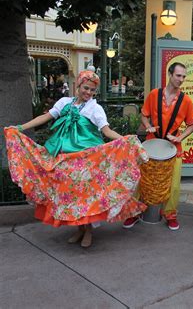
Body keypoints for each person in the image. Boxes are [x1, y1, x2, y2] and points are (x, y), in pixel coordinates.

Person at [4, 70, 147, 248]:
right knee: (70, 195)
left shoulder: (95, 108)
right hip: (64, 158)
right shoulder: (64, 103)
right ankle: (79, 229)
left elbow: (106, 131)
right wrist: (20, 127)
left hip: (87, 160)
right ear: (77, 86)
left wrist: (126, 140)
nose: (88, 92)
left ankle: (88, 230)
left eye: (92, 90)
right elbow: (46, 117)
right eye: (86, 88)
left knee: (84, 195)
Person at [123, 62, 193, 231]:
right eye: (178, 75)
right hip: (151, 145)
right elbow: (144, 115)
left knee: (174, 185)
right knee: (141, 181)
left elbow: (192, 125)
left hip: (173, 149)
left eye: (184, 76)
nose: (181, 79)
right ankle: (134, 212)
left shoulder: (186, 100)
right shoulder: (154, 95)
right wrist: (147, 125)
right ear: (170, 75)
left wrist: (180, 137)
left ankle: (170, 215)